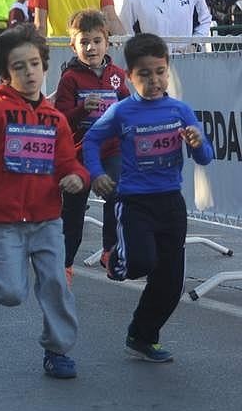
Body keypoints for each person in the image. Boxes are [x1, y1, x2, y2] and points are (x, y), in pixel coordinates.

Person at [0, 25, 89, 379]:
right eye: (19, 67)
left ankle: (57, 350)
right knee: (11, 293)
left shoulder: (55, 118)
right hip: (5, 222)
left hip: (47, 219)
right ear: (5, 74)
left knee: (56, 284)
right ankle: (13, 274)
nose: (29, 73)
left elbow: (67, 162)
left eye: (34, 64)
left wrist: (77, 176)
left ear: (45, 66)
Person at [83, 33, 213, 363]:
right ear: (130, 77)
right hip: (135, 202)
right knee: (141, 261)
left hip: (170, 203)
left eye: (159, 72)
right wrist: (96, 173)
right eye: (144, 74)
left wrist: (197, 143)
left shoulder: (180, 110)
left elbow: (205, 159)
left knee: (170, 284)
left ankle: (142, 335)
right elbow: (91, 141)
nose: (154, 80)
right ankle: (115, 259)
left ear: (168, 71)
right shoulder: (123, 112)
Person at [53, 10, 129, 280]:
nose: (91, 47)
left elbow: (128, 108)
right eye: (84, 42)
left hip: (111, 150)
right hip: (80, 154)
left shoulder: (117, 75)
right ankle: (65, 263)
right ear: (73, 45)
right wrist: (82, 109)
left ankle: (109, 249)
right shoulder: (70, 79)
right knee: (73, 212)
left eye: (97, 41)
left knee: (117, 193)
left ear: (107, 42)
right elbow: (61, 119)